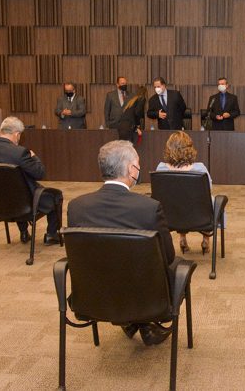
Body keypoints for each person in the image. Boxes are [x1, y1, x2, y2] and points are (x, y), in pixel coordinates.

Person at [67, 140, 178, 346]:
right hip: (145, 300)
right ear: (130, 169)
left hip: (94, 297)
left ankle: (133, 322)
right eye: (138, 165)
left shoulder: (76, 207)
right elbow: (168, 256)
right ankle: (140, 321)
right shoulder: (149, 208)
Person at [0, 117, 63, 245]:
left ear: (0, 131)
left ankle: (23, 232)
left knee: (13, 189)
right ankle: (51, 235)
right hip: (23, 206)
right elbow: (40, 173)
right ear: (17, 135)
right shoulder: (20, 153)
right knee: (55, 195)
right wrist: (34, 157)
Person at [156, 131, 213, 254]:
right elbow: (208, 190)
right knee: (210, 200)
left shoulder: (161, 169)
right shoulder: (200, 169)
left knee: (177, 200)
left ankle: (182, 238)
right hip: (198, 216)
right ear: (189, 148)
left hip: (170, 216)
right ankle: (206, 239)